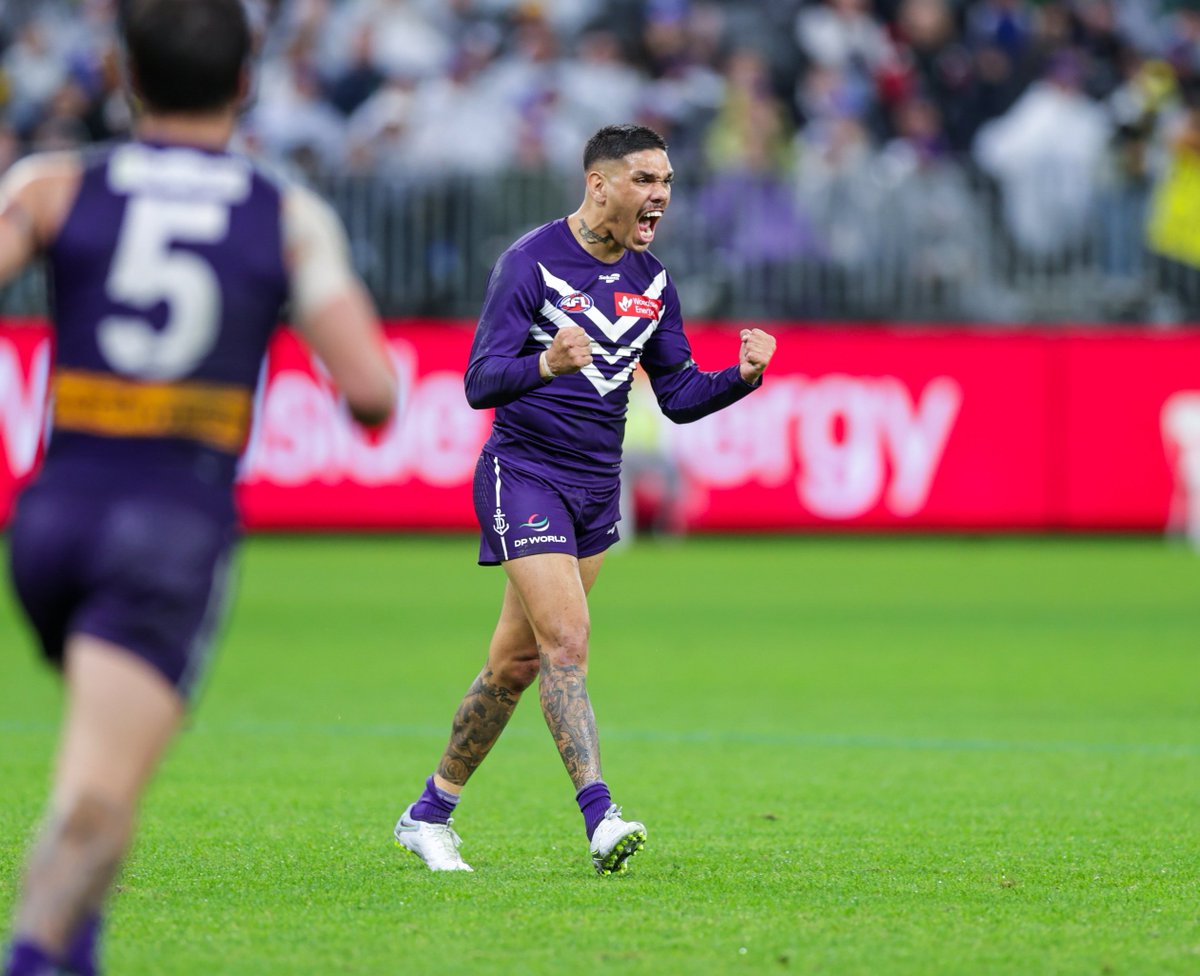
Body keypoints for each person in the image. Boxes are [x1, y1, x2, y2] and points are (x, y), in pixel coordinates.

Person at [0, 2, 396, 974]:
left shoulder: (52, 184)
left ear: (123, 76)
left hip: (51, 517)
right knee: (94, 803)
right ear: (246, 81)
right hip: (167, 526)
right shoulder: (284, 213)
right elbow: (374, 391)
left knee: (108, 774)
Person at [393, 123, 776, 876]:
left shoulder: (654, 281)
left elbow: (678, 395)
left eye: (666, 182)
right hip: (524, 472)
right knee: (567, 641)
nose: (659, 196)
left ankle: (428, 812)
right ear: (598, 184)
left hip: (595, 490)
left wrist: (741, 377)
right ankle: (601, 817)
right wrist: (544, 362)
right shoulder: (529, 262)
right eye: (644, 180)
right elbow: (479, 382)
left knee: (514, 664)